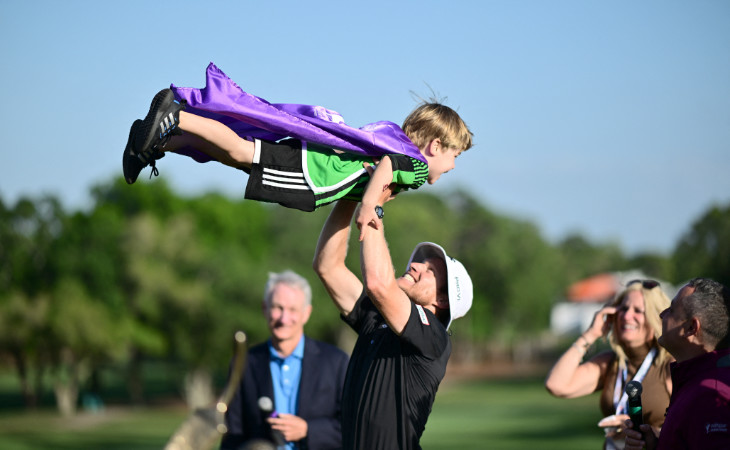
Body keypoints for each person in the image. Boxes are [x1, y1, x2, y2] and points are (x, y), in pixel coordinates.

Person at [123, 63, 472, 231]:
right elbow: (385, 169)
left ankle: (157, 141)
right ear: (435, 145)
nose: (453, 166)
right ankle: (177, 118)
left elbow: (376, 167)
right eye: (454, 156)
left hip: (312, 165)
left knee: (236, 158)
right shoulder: (417, 167)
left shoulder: (395, 141)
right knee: (243, 152)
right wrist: (371, 208)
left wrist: (365, 200)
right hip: (311, 173)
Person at [312, 200, 473, 449]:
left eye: (430, 270)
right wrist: (350, 195)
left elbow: (378, 284)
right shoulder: (377, 318)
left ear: (442, 300)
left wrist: (373, 205)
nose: (415, 265)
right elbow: (327, 267)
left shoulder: (434, 336)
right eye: (421, 262)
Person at [220, 270, 349, 450]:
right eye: (277, 308)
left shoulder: (336, 362)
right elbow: (232, 434)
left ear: (306, 313)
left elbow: (353, 427)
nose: (284, 318)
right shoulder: (243, 364)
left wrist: (308, 430)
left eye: (292, 310)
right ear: (265, 309)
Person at [544, 280, 673, 449]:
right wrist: (590, 335)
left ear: (655, 317)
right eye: (623, 309)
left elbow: (690, 429)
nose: (627, 316)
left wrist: (643, 431)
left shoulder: (670, 365)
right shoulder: (610, 362)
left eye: (638, 311)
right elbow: (557, 385)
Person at [624, 277, 730, 450]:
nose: (661, 314)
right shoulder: (696, 381)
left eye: (672, 310)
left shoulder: (711, 395)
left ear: (691, 328)